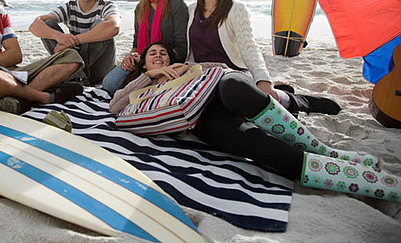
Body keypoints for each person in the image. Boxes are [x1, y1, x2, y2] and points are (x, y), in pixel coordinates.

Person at [110, 42, 400, 203]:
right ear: (144, 62)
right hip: (199, 118)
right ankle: (381, 185)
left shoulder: (188, 66)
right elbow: (116, 106)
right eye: (153, 55)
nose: (159, 56)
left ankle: (326, 151)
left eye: (163, 53)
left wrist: (186, 67)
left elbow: (225, 70)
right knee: (257, 144)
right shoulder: (141, 83)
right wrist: (153, 76)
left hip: (217, 91)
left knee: (234, 84)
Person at [186, 0, 341, 115]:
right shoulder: (191, 10)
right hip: (202, 77)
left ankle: (291, 99)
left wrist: (263, 79)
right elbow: (190, 51)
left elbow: (250, 48)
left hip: (231, 77)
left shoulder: (235, 9)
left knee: (237, 97)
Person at [102, 0, 188, 94]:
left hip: (166, 62)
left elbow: (182, 49)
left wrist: (154, 61)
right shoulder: (141, 6)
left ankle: (149, 82)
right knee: (109, 83)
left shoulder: (176, 4)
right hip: (143, 62)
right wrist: (132, 56)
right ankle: (146, 81)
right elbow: (136, 44)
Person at [29, 0, 120, 85]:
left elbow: (114, 27)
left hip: (100, 69)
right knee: (48, 23)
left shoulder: (106, 6)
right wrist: (59, 37)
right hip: (74, 66)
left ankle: (76, 74)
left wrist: (75, 40)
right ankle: (78, 75)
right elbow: (35, 25)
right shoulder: (69, 8)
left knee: (101, 24)